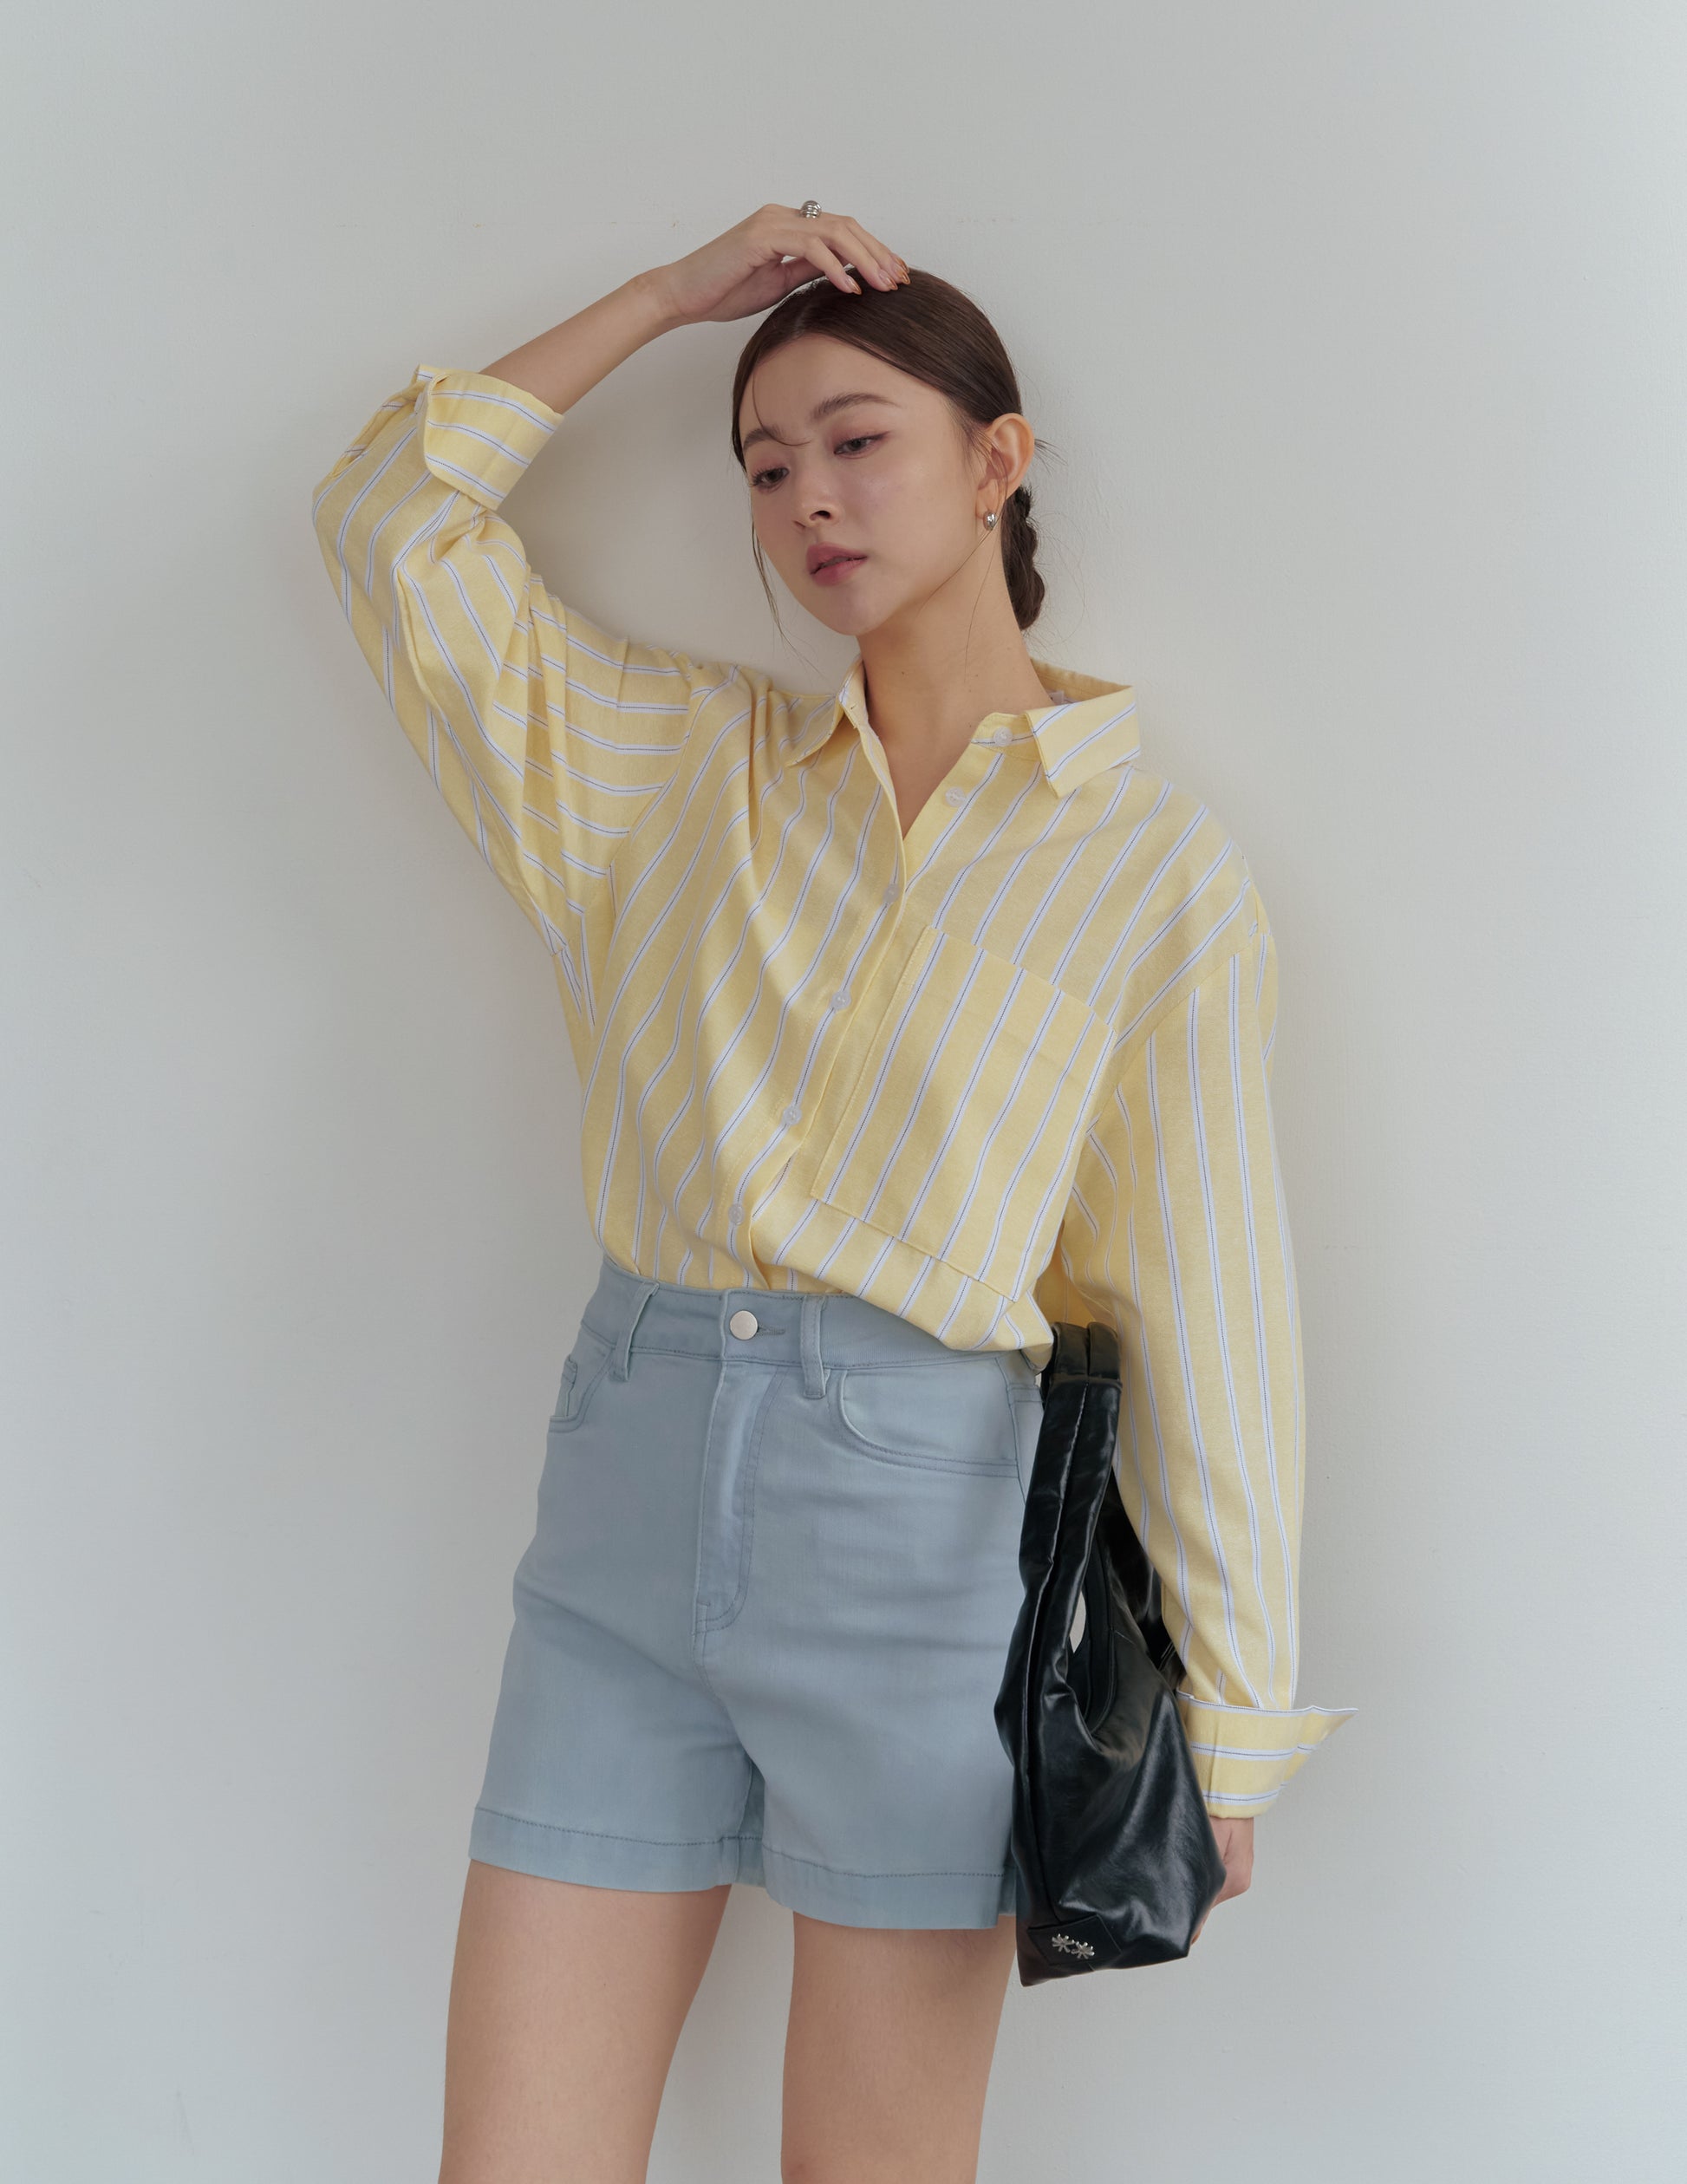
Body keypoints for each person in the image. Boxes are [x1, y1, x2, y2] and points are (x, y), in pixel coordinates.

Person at [309, 200, 1354, 2184]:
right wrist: (663, 297)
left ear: (995, 459)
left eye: (858, 441)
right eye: (763, 464)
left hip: (923, 1540)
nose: (806, 498)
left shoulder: (1151, 876)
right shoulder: (671, 776)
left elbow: (1201, 1298)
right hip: (620, 1514)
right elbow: (387, 523)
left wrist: (1231, 1720)